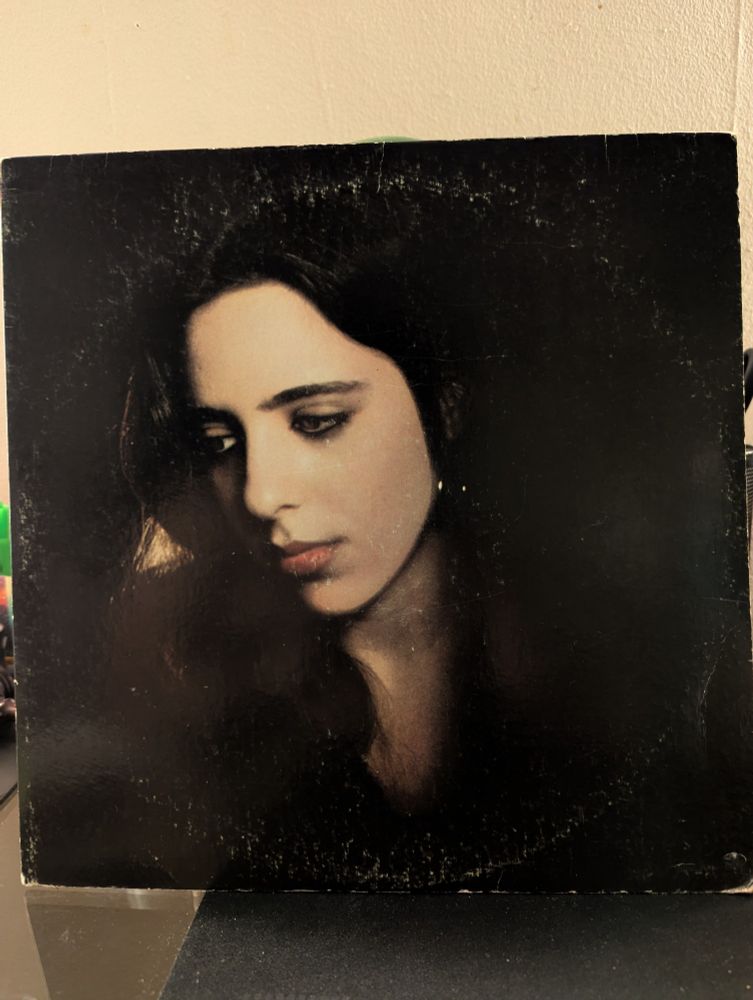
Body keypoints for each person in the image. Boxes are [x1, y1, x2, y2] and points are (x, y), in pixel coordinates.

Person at [115, 206, 746, 892]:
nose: (262, 495)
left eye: (317, 422)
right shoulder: (195, 691)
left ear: (440, 407)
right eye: (221, 444)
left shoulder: (616, 669)